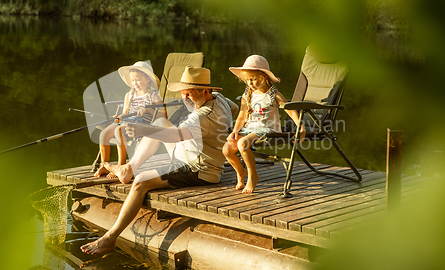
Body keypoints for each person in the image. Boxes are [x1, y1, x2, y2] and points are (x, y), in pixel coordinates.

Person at [81, 66, 238, 255]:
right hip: (188, 153)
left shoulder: (202, 116)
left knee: (140, 182)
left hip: (197, 169)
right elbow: (234, 108)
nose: (185, 98)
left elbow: (177, 135)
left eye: (189, 94)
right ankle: (129, 168)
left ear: (205, 91)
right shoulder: (221, 99)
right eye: (183, 93)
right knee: (159, 123)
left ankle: (110, 238)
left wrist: (142, 130)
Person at [223, 55, 305, 194]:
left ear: (264, 77)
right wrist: (235, 131)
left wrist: (301, 127)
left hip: (267, 129)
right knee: (227, 149)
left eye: (254, 79)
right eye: (248, 80)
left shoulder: (274, 94)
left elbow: (290, 111)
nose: (250, 83)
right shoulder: (247, 93)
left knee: (242, 144)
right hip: (249, 128)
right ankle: (241, 172)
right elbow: (242, 115)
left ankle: (253, 175)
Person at [94, 60, 163, 178]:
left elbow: (162, 114)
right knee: (104, 134)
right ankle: (104, 166)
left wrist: (148, 110)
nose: (135, 83)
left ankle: (121, 165)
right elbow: (125, 112)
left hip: (141, 124)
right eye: (133, 80)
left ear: (147, 80)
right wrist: (119, 117)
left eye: (138, 80)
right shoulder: (129, 95)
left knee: (118, 131)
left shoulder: (153, 96)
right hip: (127, 121)